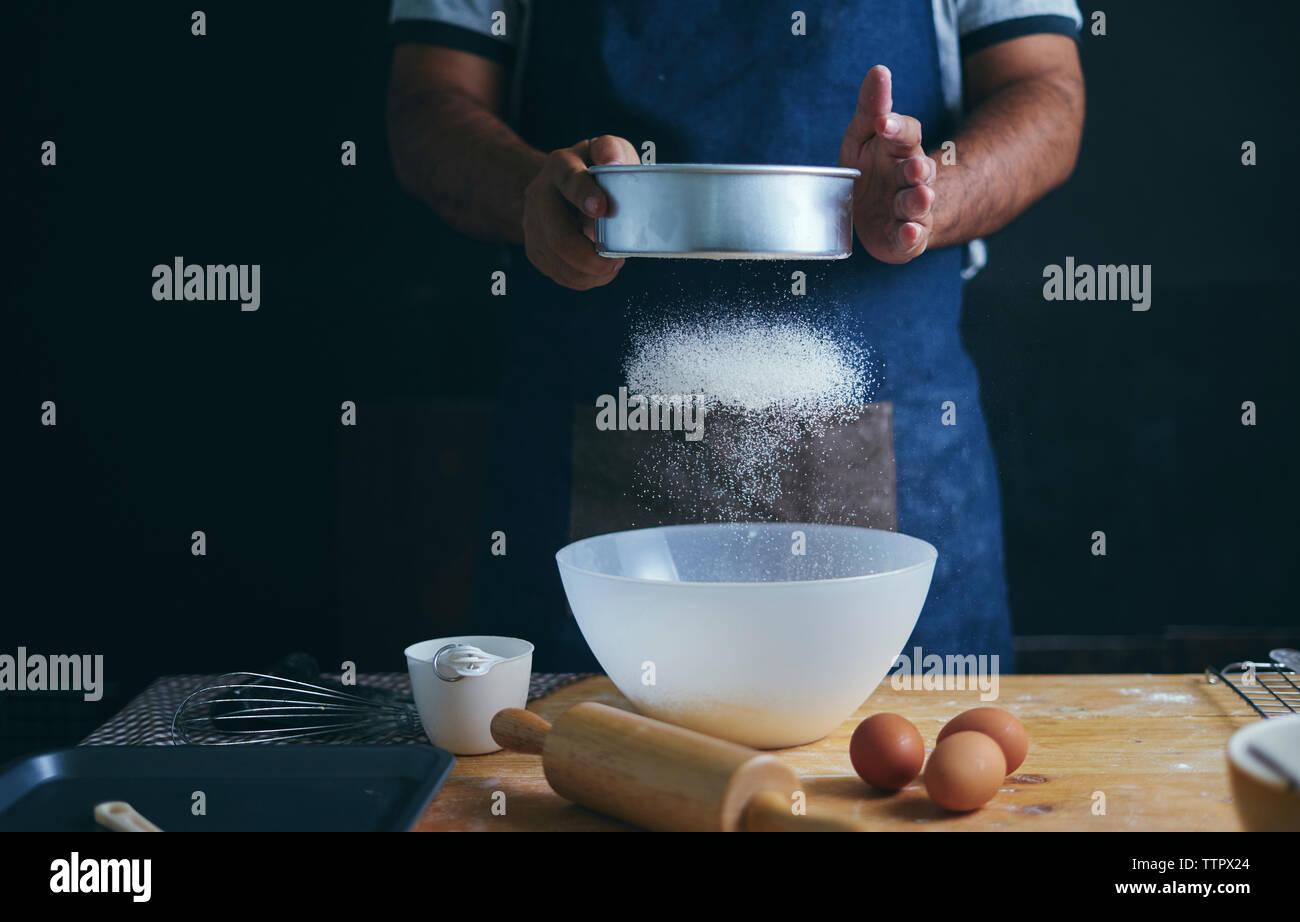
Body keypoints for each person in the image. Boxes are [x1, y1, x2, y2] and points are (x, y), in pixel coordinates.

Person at [386, 1, 1085, 672]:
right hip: (591, 457)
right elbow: (428, 106)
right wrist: (534, 194)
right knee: (585, 765)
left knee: (905, 773)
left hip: (892, 455)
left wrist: (927, 195)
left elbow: (1048, 90)